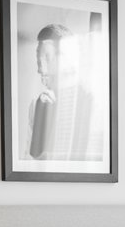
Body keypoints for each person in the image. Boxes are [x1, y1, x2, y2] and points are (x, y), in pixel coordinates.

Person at [27, 23, 93, 161]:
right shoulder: (37, 105)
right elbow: (32, 159)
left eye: (47, 58)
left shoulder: (90, 103)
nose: (41, 70)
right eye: (38, 61)